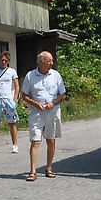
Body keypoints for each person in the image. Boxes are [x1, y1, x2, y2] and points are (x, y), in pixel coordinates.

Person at [19, 51, 66, 181]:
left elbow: (63, 94)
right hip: (37, 113)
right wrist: (35, 103)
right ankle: (33, 171)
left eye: (52, 61)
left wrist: (53, 102)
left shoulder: (56, 75)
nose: (52, 63)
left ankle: (49, 168)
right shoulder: (31, 75)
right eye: (49, 61)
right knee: (35, 141)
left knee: (51, 140)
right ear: (41, 62)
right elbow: (24, 96)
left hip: (52, 111)